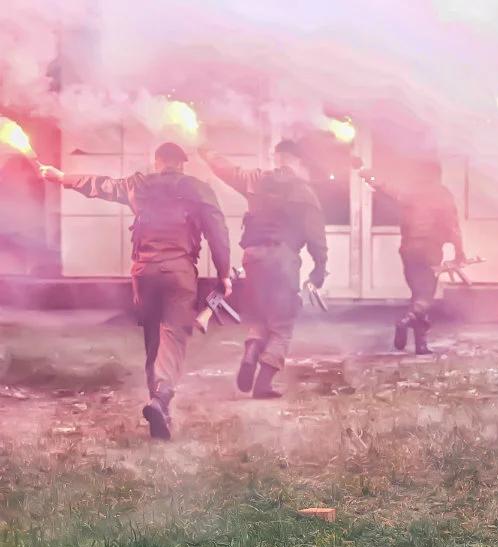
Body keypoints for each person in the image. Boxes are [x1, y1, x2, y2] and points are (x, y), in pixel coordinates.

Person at [40, 142, 232, 439]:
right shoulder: (197, 188)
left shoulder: (137, 184)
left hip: (143, 272)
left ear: (156, 162)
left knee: (153, 340)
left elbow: (98, 185)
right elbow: (218, 231)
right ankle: (162, 396)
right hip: (178, 271)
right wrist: (223, 273)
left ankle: (159, 410)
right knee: (174, 335)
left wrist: (60, 176)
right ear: (181, 164)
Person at [199, 140, 327, 398]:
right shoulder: (304, 192)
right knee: (282, 324)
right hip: (283, 259)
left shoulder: (255, 180)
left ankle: (251, 353)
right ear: (298, 161)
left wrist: (205, 149)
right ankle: (263, 384)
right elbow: (316, 237)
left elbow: (225, 169)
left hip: (253, 257)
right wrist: (319, 269)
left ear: (277, 157)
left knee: (259, 316)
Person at [360, 162, 464, 354]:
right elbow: (453, 226)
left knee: (418, 295)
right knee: (425, 297)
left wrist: (367, 174)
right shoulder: (442, 194)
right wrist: (460, 252)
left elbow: (384, 187)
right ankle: (405, 320)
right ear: (438, 175)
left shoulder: (409, 192)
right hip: (429, 250)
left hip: (408, 250)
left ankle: (420, 345)